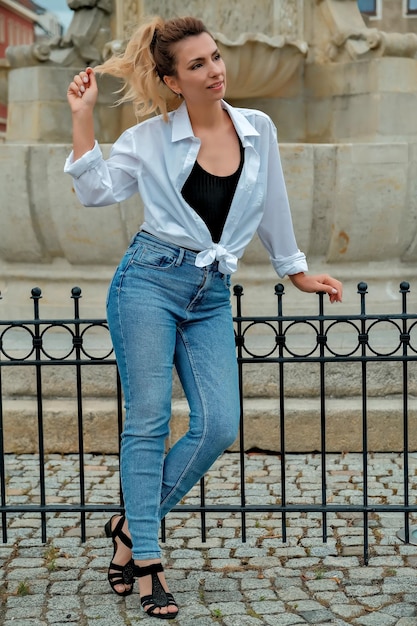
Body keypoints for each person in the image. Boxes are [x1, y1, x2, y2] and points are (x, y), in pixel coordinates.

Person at [64, 14, 343, 620]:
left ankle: (130, 526)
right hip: (148, 281)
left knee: (218, 423)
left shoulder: (257, 127)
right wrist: (82, 119)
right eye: (197, 65)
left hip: (211, 292)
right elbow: (95, 192)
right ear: (171, 80)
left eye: (214, 57)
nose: (214, 71)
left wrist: (294, 270)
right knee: (148, 420)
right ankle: (149, 564)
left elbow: (272, 201)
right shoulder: (149, 138)